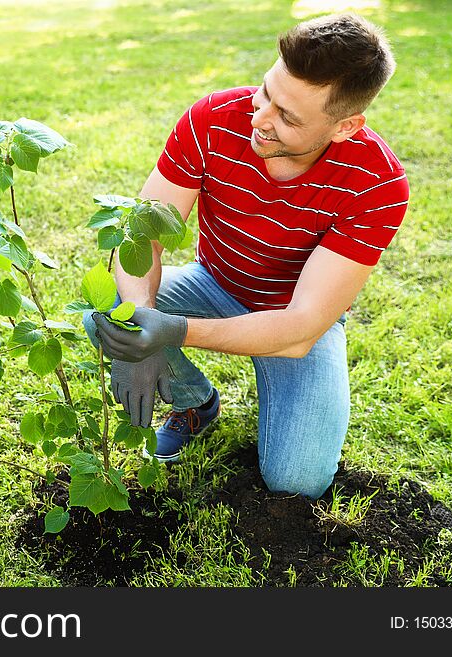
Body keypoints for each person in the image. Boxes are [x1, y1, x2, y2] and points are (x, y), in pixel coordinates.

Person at [89, 13, 408, 499]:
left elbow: (302, 328)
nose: (259, 118)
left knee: (297, 481)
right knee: (109, 312)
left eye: (289, 117)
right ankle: (196, 403)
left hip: (294, 318)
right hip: (213, 282)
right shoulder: (212, 119)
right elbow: (141, 237)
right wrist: (142, 322)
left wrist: (171, 332)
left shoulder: (377, 185)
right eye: (266, 93)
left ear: (346, 126)